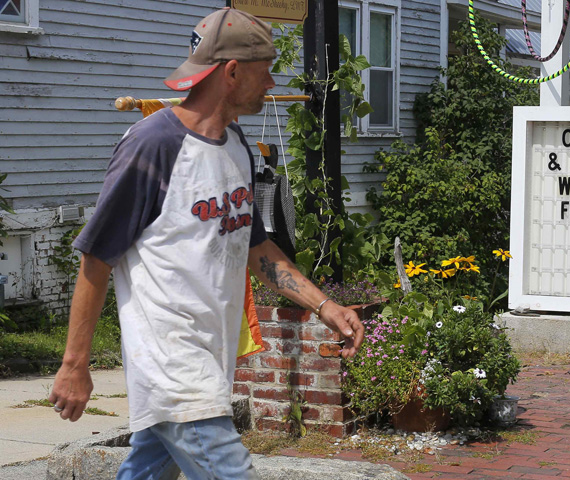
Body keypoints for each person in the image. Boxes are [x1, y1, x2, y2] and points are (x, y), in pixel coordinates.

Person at [47, 8, 364, 479]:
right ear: (232, 72)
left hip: (207, 365)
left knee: (148, 470)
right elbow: (97, 257)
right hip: (174, 367)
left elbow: (256, 248)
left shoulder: (235, 144)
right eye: (265, 70)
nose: (273, 82)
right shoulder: (153, 145)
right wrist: (75, 364)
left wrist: (325, 306)